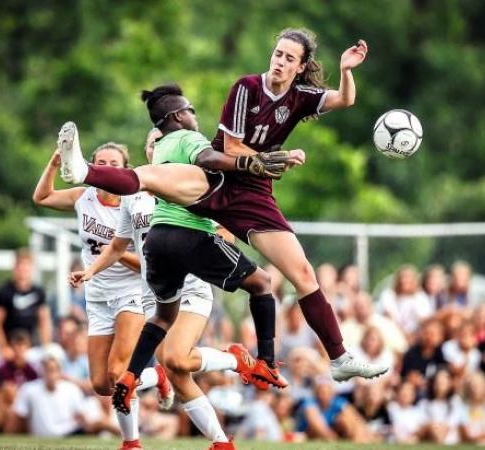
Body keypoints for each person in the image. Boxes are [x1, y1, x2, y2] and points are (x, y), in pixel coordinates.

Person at [59, 30, 386, 383]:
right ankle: (83, 171)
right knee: (150, 176)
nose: (280, 62)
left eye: (290, 59)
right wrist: (267, 158)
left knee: (304, 275)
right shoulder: (246, 87)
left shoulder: (300, 95)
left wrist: (346, 70)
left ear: (301, 66)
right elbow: (230, 150)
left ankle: (338, 358)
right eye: (278, 54)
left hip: (254, 196)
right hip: (218, 178)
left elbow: (344, 100)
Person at [69, 99, 286, 449]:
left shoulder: (191, 184)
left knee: (175, 359)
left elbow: (224, 232)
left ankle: (236, 360)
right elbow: (118, 244)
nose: (158, 148)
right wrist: (91, 270)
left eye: (162, 142)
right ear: (149, 150)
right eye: (153, 144)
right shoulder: (134, 192)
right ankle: (220, 442)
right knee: (169, 370)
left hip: (193, 284)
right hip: (153, 288)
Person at [33, 141, 174, 450]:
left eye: (114, 164)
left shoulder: (139, 203)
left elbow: (148, 264)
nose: (107, 169)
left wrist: (115, 250)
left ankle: (131, 442)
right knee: (101, 384)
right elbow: (41, 197)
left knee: (117, 370)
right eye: (101, 163)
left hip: (131, 293)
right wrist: (56, 162)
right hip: (97, 296)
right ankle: (155, 376)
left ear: (125, 169)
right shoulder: (84, 197)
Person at [0, 249, 52, 360]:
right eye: (20, 265)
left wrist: (46, 346)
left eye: (26, 265)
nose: (23, 269)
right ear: (14, 267)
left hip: (31, 348)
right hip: (9, 347)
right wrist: (3, 347)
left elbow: (44, 321)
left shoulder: (38, 292)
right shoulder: (3, 292)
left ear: (31, 268)